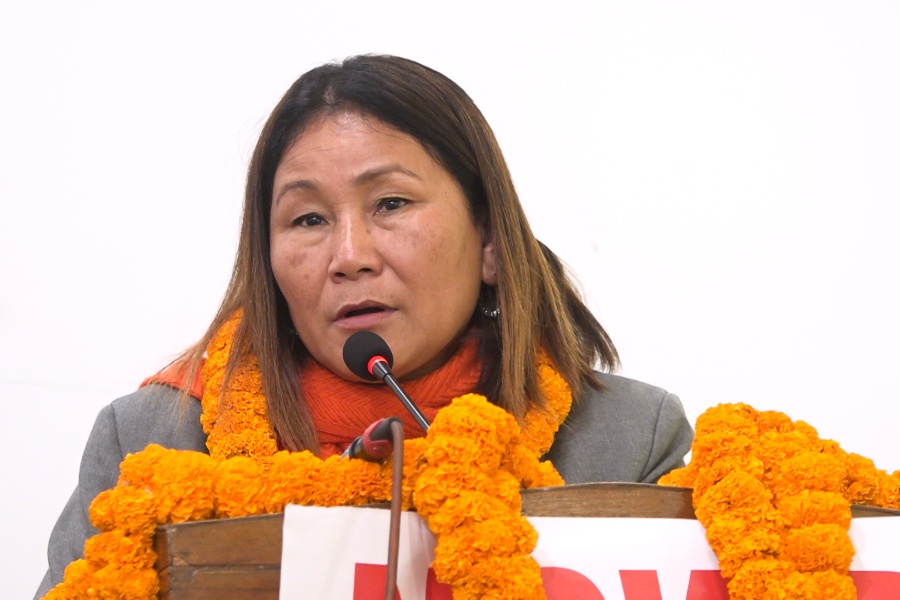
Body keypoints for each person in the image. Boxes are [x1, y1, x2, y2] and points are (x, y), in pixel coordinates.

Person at [35, 54, 693, 598]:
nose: (349, 255)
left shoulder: (627, 440)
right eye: (308, 219)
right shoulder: (153, 439)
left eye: (391, 203)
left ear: (490, 240)